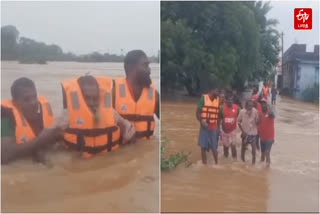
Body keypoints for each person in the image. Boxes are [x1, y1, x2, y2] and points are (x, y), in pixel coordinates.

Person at [61, 75, 135, 158]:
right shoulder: (67, 115)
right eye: (87, 98)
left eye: (95, 98)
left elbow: (126, 126)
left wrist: (128, 129)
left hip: (108, 163)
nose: (92, 103)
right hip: (80, 165)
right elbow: (48, 136)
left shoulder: (111, 113)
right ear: (80, 97)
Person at [1, 77, 65, 165]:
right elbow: (4, 156)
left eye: (34, 97)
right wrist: (41, 140)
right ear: (15, 102)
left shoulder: (43, 118)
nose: (33, 102)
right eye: (26, 99)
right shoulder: (6, 119)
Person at [113, 50, 159, 143]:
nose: (149, 70)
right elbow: (98, 116)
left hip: (146, 152)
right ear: (130, 67)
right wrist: (121, 122)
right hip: (119, 150)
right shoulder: (112, 91)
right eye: (145, 65)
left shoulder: (154, 94)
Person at [196, 87, 220, 164]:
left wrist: (218, 127)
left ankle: (217, 164)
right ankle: (204, 164)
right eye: (217, 91)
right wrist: (202, 120)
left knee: (214, 146)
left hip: (213, 126)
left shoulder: (218, 100)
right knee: (203, 146)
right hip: (204, 126)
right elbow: (197, 113)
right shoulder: (203, 98)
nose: (218, 93)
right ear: (212, 90)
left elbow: (219, 115)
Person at [238, 100, 260, 164]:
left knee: (254, 150)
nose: (250, 107)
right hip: (245, 133)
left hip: (253, 133)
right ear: (246, 105)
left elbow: (258, 122)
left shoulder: (255, 111)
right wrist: (243, 131)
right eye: (249, 105)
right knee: (243, 149)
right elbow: (238, 122)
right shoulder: (242, 111)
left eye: (251, 105)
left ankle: (253, 164)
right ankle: (243, 162)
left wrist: (258, 120)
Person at [219, 92, 239, 159]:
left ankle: (234, 161)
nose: (230, 101)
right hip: (224, 131)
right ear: (226, 100)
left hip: (233, 130)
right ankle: (226, 161)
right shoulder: (221, 108)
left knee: (233, 147)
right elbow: (220, 118)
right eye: (228, 100)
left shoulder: (236, 107)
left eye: (231, 100)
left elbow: (239, 117)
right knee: (225, 147)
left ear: (233, 100)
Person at [258, 100, 275, 167]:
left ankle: (267, 168)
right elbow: (258, 124)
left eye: (265, 104)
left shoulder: (270, 114)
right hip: (262, 137)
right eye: (262, 104)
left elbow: (273, 115)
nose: (263, 106)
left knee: (267, 153)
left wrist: (269, 107)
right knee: (262, 153)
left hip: (270, 138)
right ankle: (261, 166)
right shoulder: (260, 113)